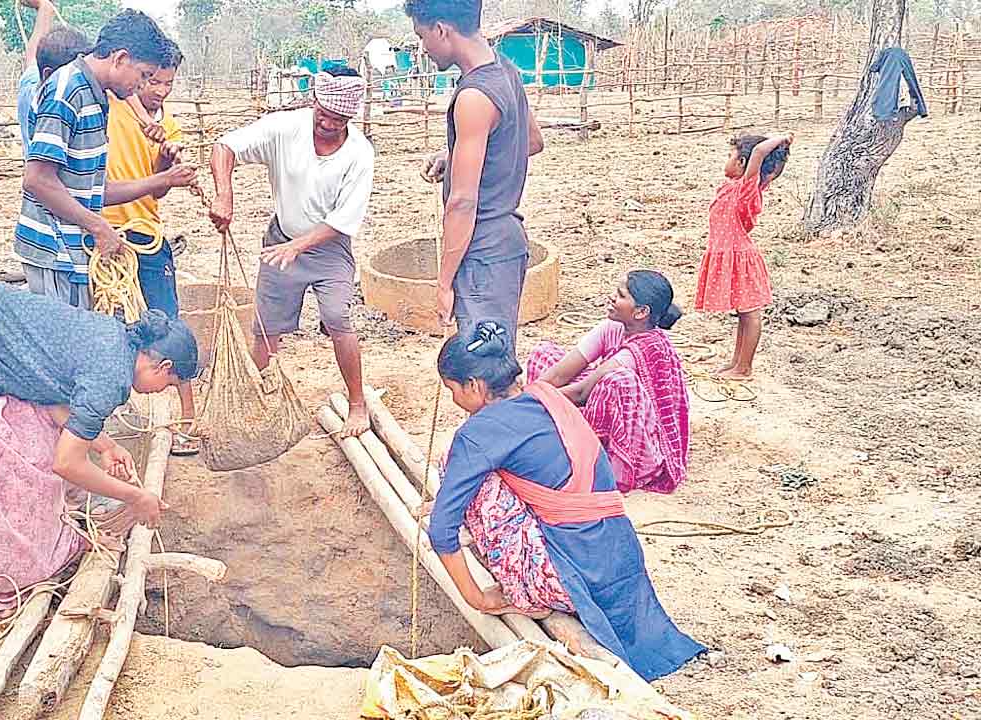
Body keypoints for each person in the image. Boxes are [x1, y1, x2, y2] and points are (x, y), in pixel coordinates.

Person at [0, 282, 199, 626]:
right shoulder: (111, 376)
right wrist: (136, 497)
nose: (164, 392)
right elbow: (67, 463)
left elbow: (48, 397)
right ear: (163, 366)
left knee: (31, 445)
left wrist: (106, 445)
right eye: (171, 384)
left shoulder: (117, 343)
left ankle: (12, 559)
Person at [424, 320, 705, 681]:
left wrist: (476, 597)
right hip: (619, 566)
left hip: (570, 582)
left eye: (452, 389)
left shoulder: (478, 433)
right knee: (497, 471)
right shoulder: (549, 397)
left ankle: (529, 590)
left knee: (461, 467)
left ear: (475, 385)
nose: (453, 399)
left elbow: (441, 531)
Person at [208, 67, 375, 437]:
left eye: (337, 118)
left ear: (350, 116)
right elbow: (224, 147)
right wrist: (224, 192)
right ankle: (254, 402)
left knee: (337, 317)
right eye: (323, 113)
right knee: (266, 327)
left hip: (329, 249)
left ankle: (358, 404)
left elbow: (341, 222)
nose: (327, 123)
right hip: (281, 238)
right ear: (314, 101)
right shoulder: (286, 127)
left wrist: (297, 247)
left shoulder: (360, 155)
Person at [16, 10, 197, 309]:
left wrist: (163, 179)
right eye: (143, 75)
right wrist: (99, 227)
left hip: (75, 250)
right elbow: (37, 180)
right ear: (120, 58)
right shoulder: (67, 90)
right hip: (55, 249)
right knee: (65, 347)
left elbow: (94, 190)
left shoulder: (95, 96)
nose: (141, 86)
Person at [406, 0, 545, 336]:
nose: (423, 48)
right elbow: (532, 141)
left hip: (481, 251)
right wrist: (456, 156)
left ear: (441, 29)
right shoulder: (505, 70)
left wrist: (444, 282)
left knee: (482, 374)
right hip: (506, 243)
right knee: (493, 364)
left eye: (422, 37)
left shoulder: (474, 97)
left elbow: (463, 202)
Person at [103, 40, 198, 455]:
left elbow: (157, 192)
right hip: (105, 236)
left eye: (168, 83)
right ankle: (109, 421)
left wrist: (165, 156)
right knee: (111, 326)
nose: (159, 90)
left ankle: (186, 419)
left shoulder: (168, 123)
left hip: (146, 233)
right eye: (153, 80)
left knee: (170, 328)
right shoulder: (112, 101)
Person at [527, 271, 690, 494]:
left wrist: (531, 401)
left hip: (638, 434)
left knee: (618, 382)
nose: (612, 297)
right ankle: (550, 432)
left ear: (641, 312)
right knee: (543, 355)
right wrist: (529, 395)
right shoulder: (613, 327)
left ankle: (615, 467)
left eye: (621, 295)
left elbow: (583, 392)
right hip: (601, 403)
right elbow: (559, 374)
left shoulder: (644, 348)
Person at [694, 133, 792, 379]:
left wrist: (783, 139)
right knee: (743, 314)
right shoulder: (736, 187)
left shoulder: (747, 189)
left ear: (743, 163)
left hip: (739, 257)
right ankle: (737, 362)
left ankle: (744, 367)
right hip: (732, 255)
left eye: (731, 156)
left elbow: (759, 153)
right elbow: (770, 169)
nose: (726, 161)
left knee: (750, 314)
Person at [15, 0, 89, 154]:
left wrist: (45, 9)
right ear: (49, 75)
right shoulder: (54, 103)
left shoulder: (32, 84)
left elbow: (32, 57)